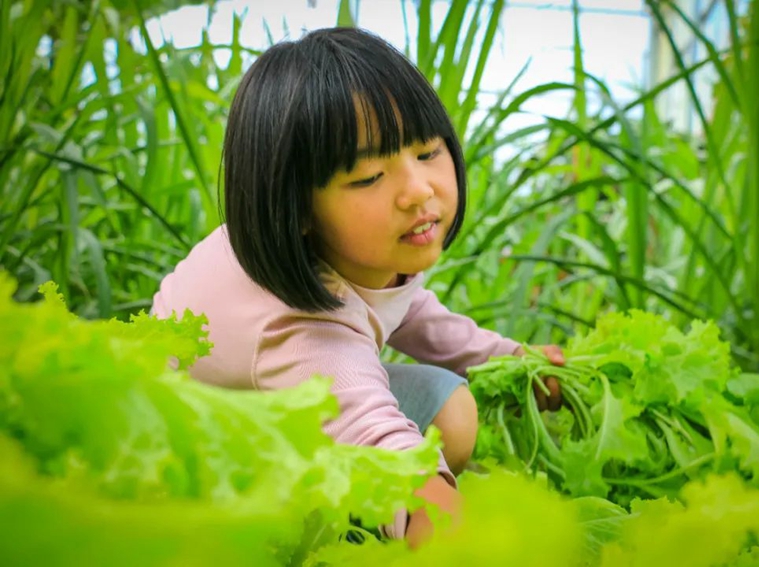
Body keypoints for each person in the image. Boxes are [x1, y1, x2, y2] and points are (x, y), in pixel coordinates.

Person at [151, 26, 564, 547]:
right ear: (296, 207)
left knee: (450, 412)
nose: (418, 190)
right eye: (369, 176)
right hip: (213, 460)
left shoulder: (363, 254)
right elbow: (375, 434)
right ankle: (321, 527)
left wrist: (514, 357)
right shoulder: (298, 326)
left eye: (428, 151)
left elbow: (414, 313)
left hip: (280, 405)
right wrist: (445, 524)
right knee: (430, 438)